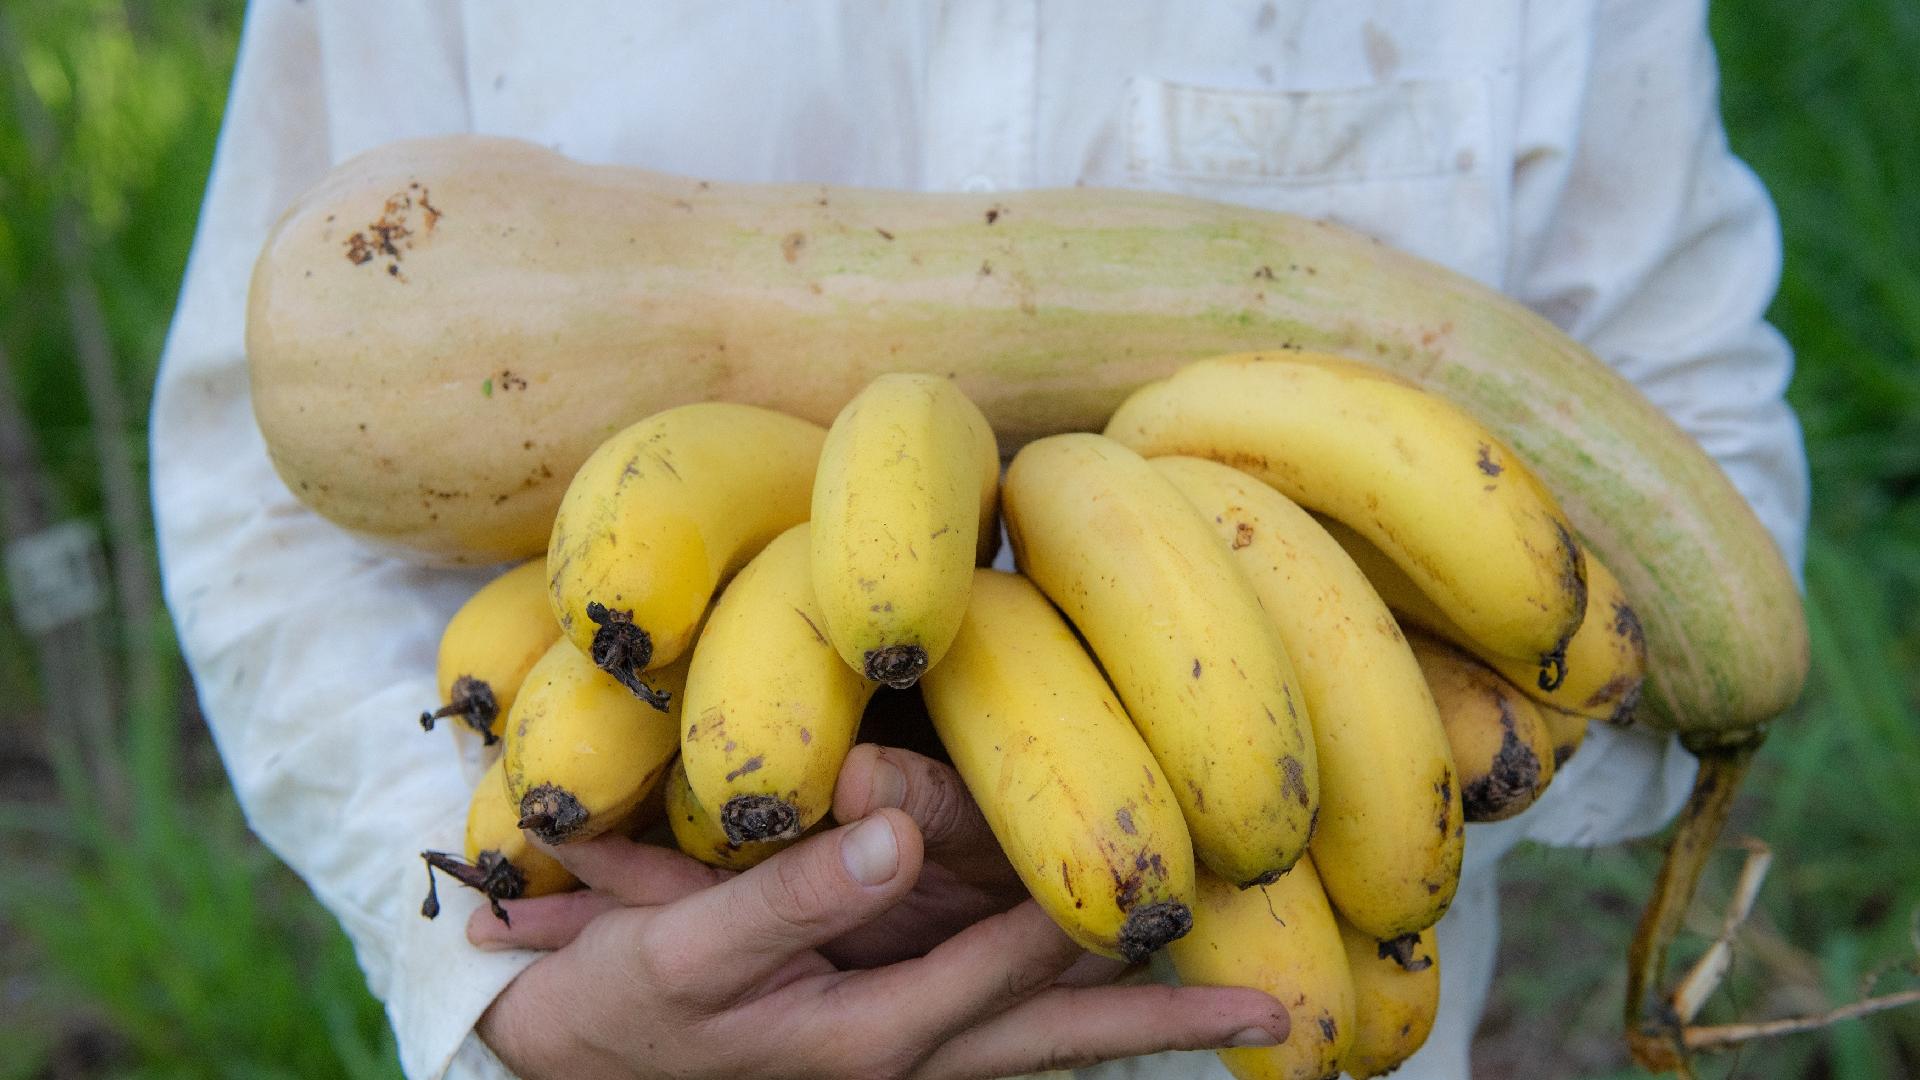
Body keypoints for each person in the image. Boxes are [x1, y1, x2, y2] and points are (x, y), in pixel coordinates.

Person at [151, 1, 1808, 1077]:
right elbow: (265, 470)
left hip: (1277, 1016)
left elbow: (1696, 465)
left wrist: (1428, 759)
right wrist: (498, 994)